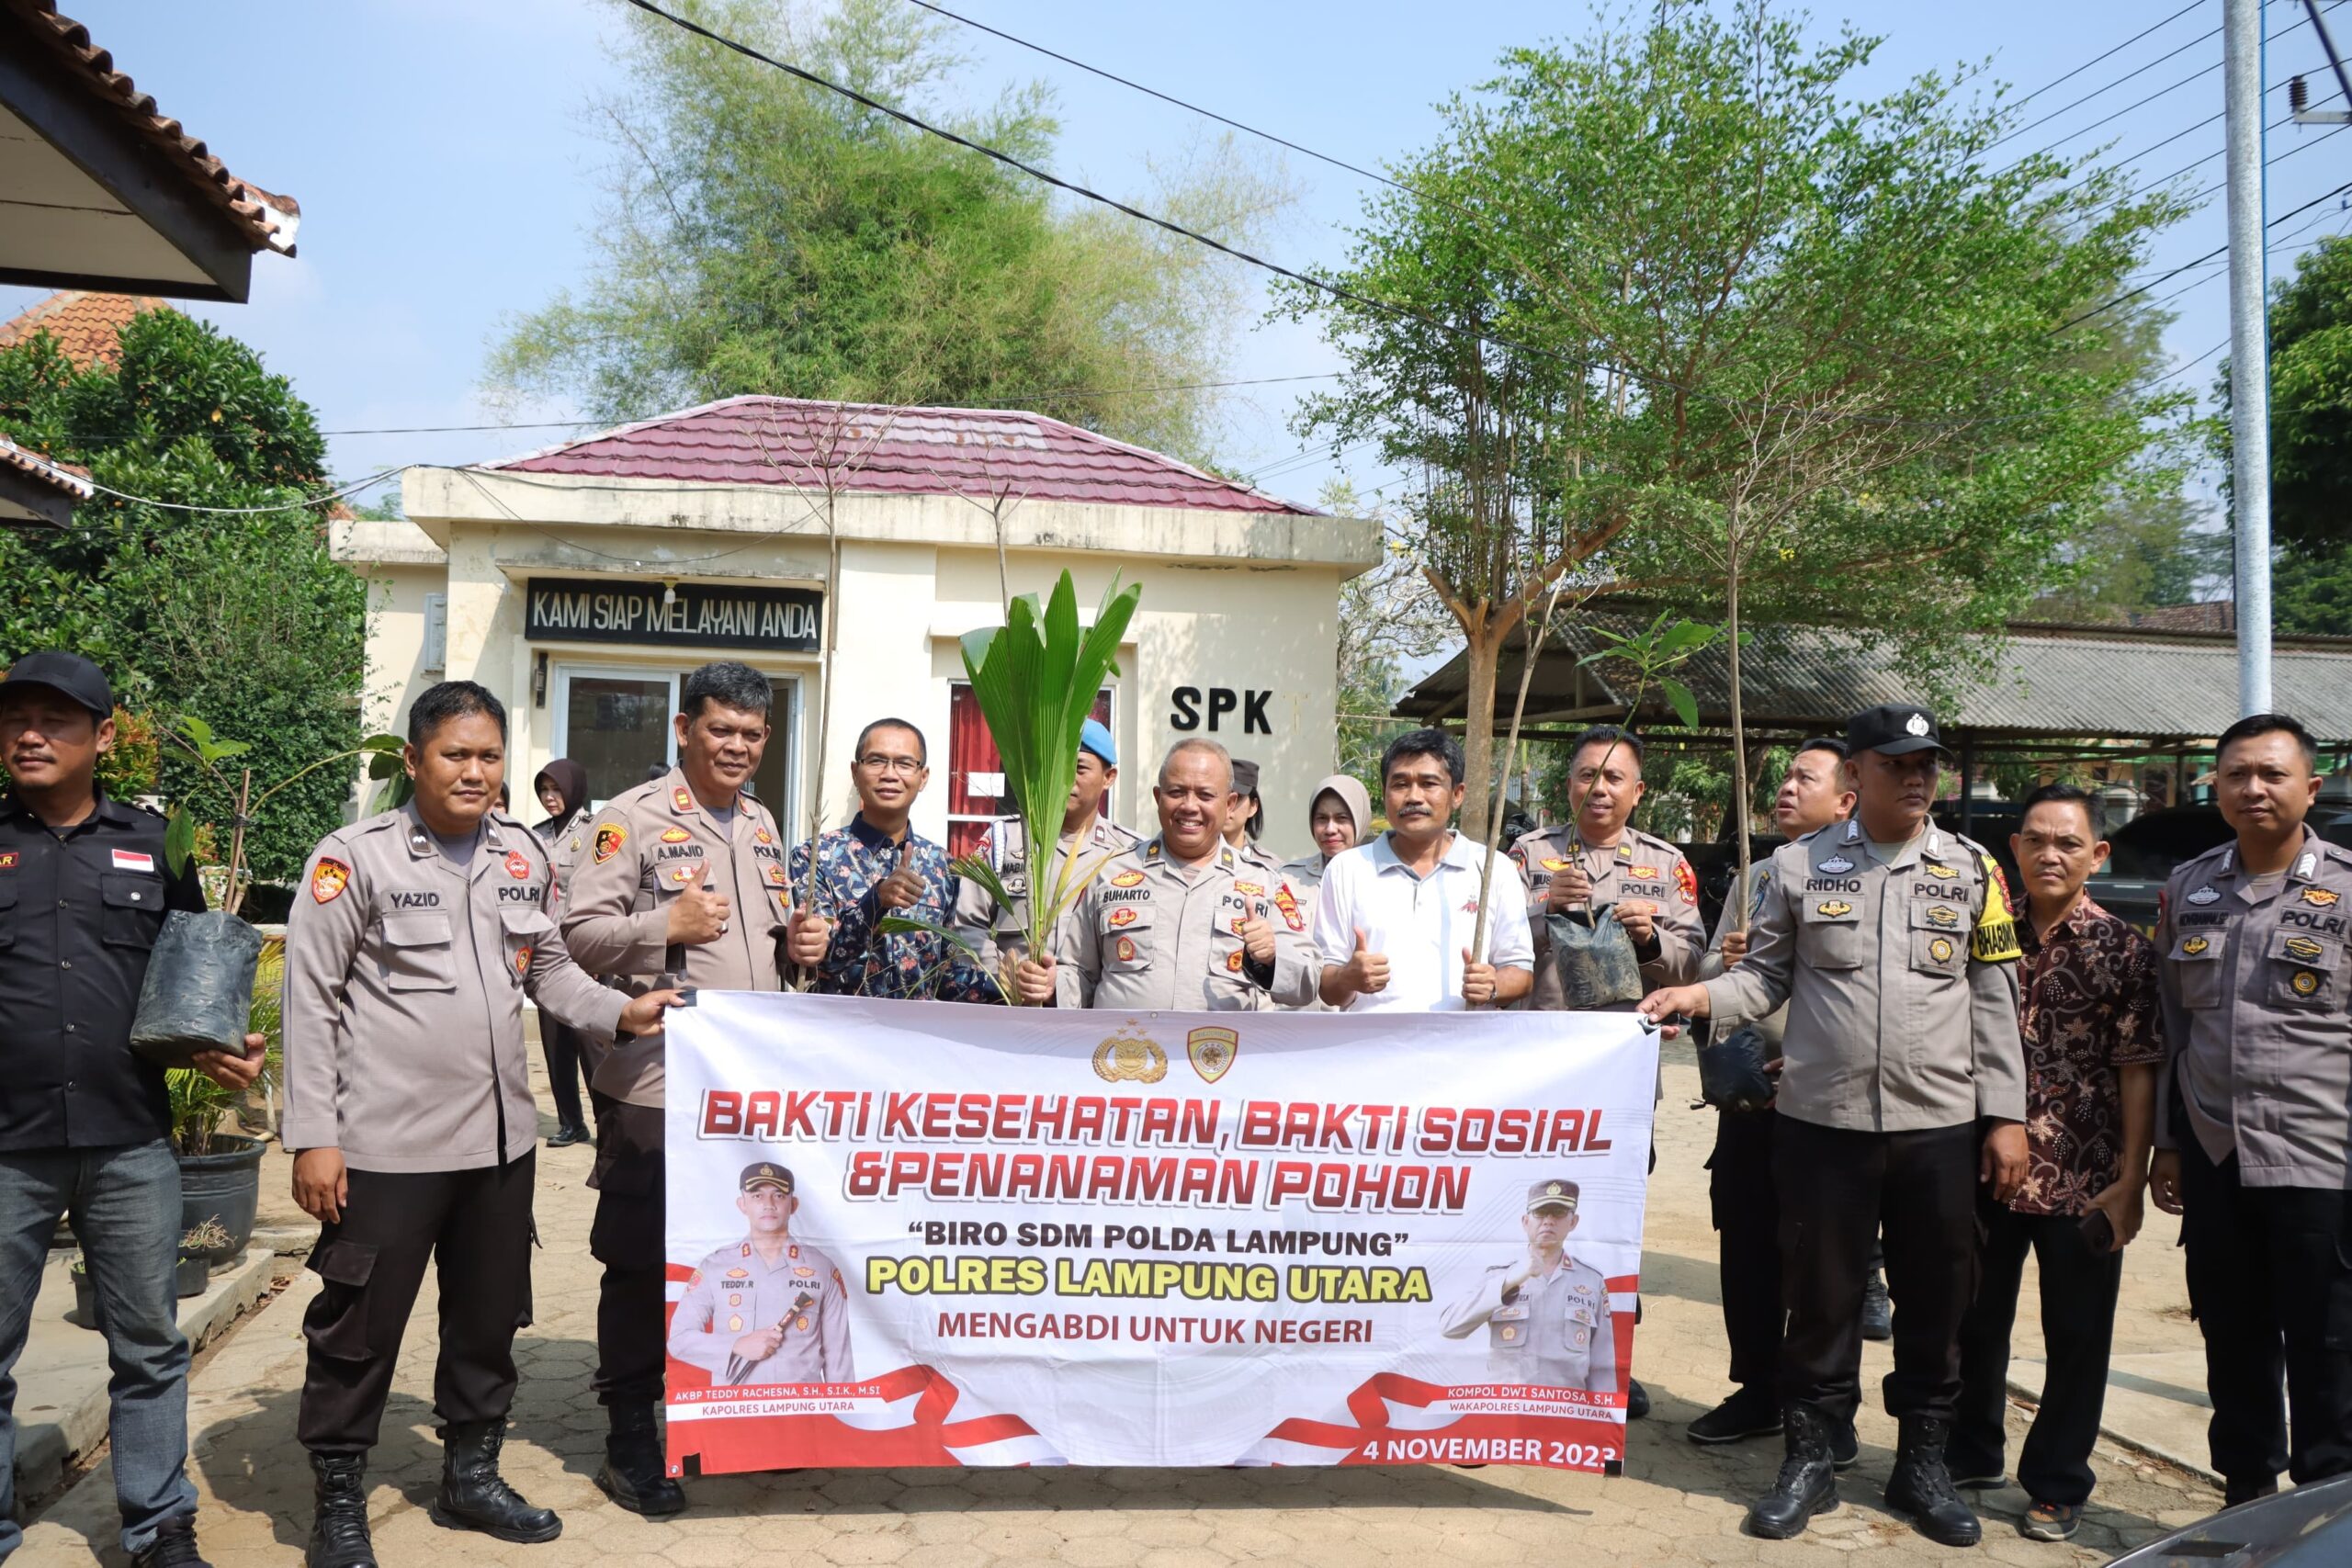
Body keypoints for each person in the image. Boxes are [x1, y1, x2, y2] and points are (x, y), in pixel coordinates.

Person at [282, 682, 679, 1567]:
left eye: (489, 755)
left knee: (487, 1320)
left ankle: (471, 1473)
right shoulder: (355, 858)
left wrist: (621, 1010)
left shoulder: (522, 855)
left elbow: (549, 969)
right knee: (358, 1329)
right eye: (455, 753)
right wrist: (313, 1134)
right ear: (414, 759)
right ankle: (339, 1498)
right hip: (383, 1147)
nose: (474, 771)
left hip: (498, 1144)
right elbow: (308, 1000)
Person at [1641, 704, 2028, 1548]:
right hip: (1823, 1127)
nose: (1917, 777)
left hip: (1939, 1128)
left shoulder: (1973, 870)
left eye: (1925, 763)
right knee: (1821, 1301)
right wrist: (1698, 994)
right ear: (1857, 775)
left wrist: (2006, 1116)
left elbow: (1994, 999)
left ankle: (1921, 1464)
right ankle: (1810, 1460)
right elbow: (1764, 978)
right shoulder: (1797, 865)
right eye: (1897, 763)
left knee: (1935, 1304)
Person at [0, 652, 266, 1568]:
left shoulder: (155, 848)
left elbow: (193, 983)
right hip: (7, 1147)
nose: (31, 734)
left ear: (104, 736)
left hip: (131, 1143)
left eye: (56, 719)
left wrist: (221, 1051)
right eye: (16, 719)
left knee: (149, 1343)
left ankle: (157, 1525)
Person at [560, 660, 790, 1517]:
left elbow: (762, 949)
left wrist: (799, 944)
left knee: (733, 1259)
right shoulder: (629, 819)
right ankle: (629, 1436)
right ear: (685, 729)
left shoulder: (762, 823)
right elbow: (574, 938)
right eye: (720, 728)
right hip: (658, 1087)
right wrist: (667, 924)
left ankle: (724, 1417)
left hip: (747, 1093)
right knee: (638, 1264)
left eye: (751, 733)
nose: (736, 745)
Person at [1945, 783, 2159, 1542]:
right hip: (1984, 1163)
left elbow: (2139, 1067)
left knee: (2077, 1335)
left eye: (2068, 842)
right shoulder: (1982, 934)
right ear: (2014, 849)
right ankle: (1971, 1451)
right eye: (2035, 839)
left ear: (2097, 854)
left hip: (2084, 1174)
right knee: (1973, 1320)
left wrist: (2131, 1179)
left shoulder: (2124, 948)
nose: (2050, 854)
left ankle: (2058, 1481)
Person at [2149, 712, 2352, 1505]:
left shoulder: (2346, 887)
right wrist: (2169, 1143)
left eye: (2272, 773)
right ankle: (2246, 1501)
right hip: (2216, 1150)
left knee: (2329, 1345)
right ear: (2218, 786)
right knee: (2232, 1336)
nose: (2253, 788)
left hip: (2322, 1154)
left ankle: (2327, 1512)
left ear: (2312, 786)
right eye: (2237, 774)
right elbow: (2173, 1026)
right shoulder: (2190, 887)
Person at [1686, 739, 1862, 1457]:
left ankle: (1827, 1410)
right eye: (1785, 776)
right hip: (1751, 1093)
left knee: (1824, 1261)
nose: (1787, 787)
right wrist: (1722, 960)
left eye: (1804, 778)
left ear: (1847, 799)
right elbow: (1711, 969)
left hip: (1825, 1099)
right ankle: (1757, 1387)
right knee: (1747, 1246)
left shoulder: (1865, 875)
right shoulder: (1756, 875)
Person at [1012, 739, 1313, 1010]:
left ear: (1230, 804)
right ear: (1158, 797)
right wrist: (1052, 985)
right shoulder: (1111, 873)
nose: (1189, 806)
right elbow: (1080, 971)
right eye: (1176, 792)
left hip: (1218, 1053)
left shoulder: (1264, 883)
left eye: (1205, 795)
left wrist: (1272, 958)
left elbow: (1309, 979)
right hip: (1127, 1051)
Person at [1313, 728, 1534, 1013]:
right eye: (1400, 784)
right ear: (1384, 793)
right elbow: (1328, 987)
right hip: (1373, 1041)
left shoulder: (1493, 868)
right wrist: (1347, 978)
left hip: (1465, 1040)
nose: (1413, 797)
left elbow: (1521, 974)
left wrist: (1493, 985)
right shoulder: (1346, 869)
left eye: (1429, 783)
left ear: (1457, 794)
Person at [786, 718, 994, 1000]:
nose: (889, 774)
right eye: (876, 761)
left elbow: (943, 976)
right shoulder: (815, 856)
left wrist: (1008, 985)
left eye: (905, 763)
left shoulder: (941, 865)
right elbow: (823, 960)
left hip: (915, 1027)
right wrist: (876, 901)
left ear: (923, 777)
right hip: (840, 1024)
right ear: (855, 772)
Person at [1509, 725, 1705, 1010]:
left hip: (1631, 1030)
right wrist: (1547, 911)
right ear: (1569, 786)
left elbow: (1693, 968)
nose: (1599, 789)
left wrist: (1650, 938)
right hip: (1545, 1030)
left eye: (1613, 778)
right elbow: (1497, 949)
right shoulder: (1529, 853)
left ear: (1637, 792)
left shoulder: (1667, 863)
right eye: (1588, 776)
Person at [952, 716, 1138, 981]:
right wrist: (1008, 976)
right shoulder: (1005, 839)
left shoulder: (1129, 853)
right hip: (1012, 1001)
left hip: (1092, 1003)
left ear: (1108, 777)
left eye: (1078, 768)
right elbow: (965, 925)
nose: (1065, 779)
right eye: (1056, 767)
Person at [667, 1162, 852, 1386]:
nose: (768, 1205)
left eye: (779, 1195)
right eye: (757, 1196)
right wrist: (736, 1345)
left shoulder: (821, 1267)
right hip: (736, 1403)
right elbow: (679, 1340)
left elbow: (839, 1358)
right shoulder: (715, 1266)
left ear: (793, 1204)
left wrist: (842, 1407)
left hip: (803, 1405)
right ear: (742, 1204)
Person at [1440, 1179, 1617, 1395]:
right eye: (1540, 1213)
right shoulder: (1500, 1275)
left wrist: (1602, 1413)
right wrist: (1508, 1283)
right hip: (1508, 1408)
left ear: (1573, 1222)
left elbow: (1603, 1363)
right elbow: (1450, 1327)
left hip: (1565, 1408)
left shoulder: (1591, 1281)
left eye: (1558, 1213)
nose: (1548, 1221)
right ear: (1525, 1222)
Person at [528, 759, 595, 1147]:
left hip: (584, 952)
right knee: (555, 1045)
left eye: (557, 789)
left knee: (592, 1043)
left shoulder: (595, 831)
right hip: (547, 953)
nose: (550, 797)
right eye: (544, 790)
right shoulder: (535, 835)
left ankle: (610, 1123)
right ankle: (571, 1122)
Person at [1278, 773, 1371, 897]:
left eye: (1341, 818)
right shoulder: (1288, 879)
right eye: (1322, 818)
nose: (1330, 829)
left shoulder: (1381, 879)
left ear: (1361, 820)